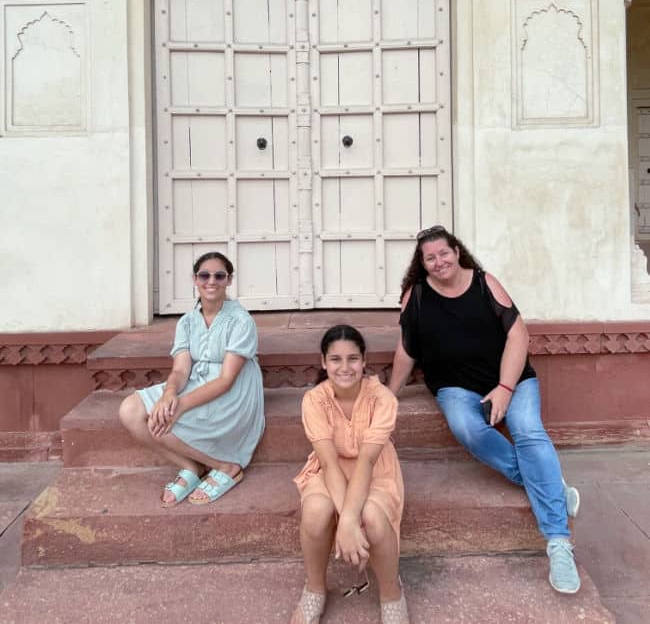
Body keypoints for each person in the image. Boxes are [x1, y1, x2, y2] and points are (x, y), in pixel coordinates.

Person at [388, 225, 581, 595]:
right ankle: (547, 484)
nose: (439, 261)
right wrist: (389, 394)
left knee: (528, 430)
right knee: (465, 426)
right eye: (430, 257)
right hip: (456, 388)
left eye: (444, 253)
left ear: (457, 251)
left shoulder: (483, 283)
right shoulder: (417, 297)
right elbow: (407, 349)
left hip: (512, 380)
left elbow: (518, 334)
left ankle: (558, 542)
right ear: (422, 263)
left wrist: (505, 388)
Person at [119, 251, 265, 507]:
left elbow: (226, 380)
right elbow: (181, 369)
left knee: (165, 417)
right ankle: (191, 466)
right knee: (130, 410)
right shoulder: (186, 322)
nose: (212, 281)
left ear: (229, 280)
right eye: (204, 275)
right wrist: (169, 394)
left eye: (219, 276)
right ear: (195, 279)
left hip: (232, 391)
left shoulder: (241, 321)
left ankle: (226, 466)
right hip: (195, 381)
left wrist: (181, 406)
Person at [291, 325, 409, 624]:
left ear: (364, 360)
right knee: (317, 510)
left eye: (352, 359)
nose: (345, 368)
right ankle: (315, 589)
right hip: (329, 470)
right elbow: (329, 464)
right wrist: (347, 523)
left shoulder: (382, 399)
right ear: (323, 362)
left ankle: (392, 593)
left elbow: (367, 463)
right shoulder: (315, 400)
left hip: (375, 470)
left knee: (372, 516)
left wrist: (350, 521)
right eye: (335, 359)